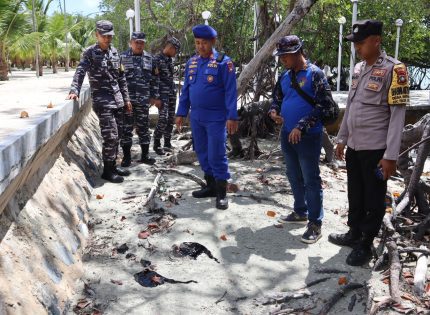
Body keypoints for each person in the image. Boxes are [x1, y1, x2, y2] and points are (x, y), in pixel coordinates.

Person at [330, 20, 408, 266]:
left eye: (361, 43)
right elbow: (351, 107)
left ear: (376, 40)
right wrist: (342, 139)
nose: (357, 48)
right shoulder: (358, 69)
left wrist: (391, 155)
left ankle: (366, 243)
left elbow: (397, 116)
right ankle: (354, 232)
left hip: (377, 149)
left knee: (374, 198)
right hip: (354, 145)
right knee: (355, 192)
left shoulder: (395, 70)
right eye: (356, 44)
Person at [269, 35, 335, 244]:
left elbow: (324, 105)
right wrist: (274, 111)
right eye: (280, 57)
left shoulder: (315, 74)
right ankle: (300, 211)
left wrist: (302, 125)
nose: (283, 60)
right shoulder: (285, 76)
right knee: (293, 174)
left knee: (310, 179)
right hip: (287, 133)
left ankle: (315, 223)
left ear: (298, 52)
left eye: (285, 56)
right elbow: (277, 98)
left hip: (308, 136)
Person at [175, 24, 238, 210]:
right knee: (202, 152)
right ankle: (210, 187)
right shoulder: (191, 63)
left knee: (216, 153)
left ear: (213, 42)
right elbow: (186, 90)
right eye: (197, 43)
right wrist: (181, 112)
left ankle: (221, 193)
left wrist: (232, 116)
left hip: (216, 117)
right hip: (196, 116)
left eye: (204, 43)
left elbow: (230, 92)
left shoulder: (223, 63)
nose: (200, 46)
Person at [67, 20, 131, 183]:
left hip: (118, 100)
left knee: (119, 134)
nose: (107, 39)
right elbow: (80, 71)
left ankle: (113, 166)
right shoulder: (90, 52)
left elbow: (121, 77)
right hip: (103, 100)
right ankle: (107, 171)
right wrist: (74, 90)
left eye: (110, 36)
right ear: (97, 35)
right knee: (110, 135)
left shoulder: (115, 52)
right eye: (104, 35)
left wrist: (126, 98)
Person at [119, 32, 161, 166]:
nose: (139, 45)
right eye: (136, 42)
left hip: (143, 101)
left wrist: (154, 96)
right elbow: (118, 78)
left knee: (144, 128)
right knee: (126, 129)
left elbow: (155, 79)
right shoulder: (122, 58)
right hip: (127, 101)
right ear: (131, 42)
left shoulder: (150, 58)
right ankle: (126, 157)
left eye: (141, 42)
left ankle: (145, 155)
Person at [153, 37, 181, 155]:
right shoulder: (156, 60)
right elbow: (154, 79)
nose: (176, 53)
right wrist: (156, 97)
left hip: (171, 92)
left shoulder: (171, 60)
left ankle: (167, 142)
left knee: (170, 119)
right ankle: (157, 142)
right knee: (163, 118)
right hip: (162, 94)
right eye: (176, 50)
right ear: (170, 47)